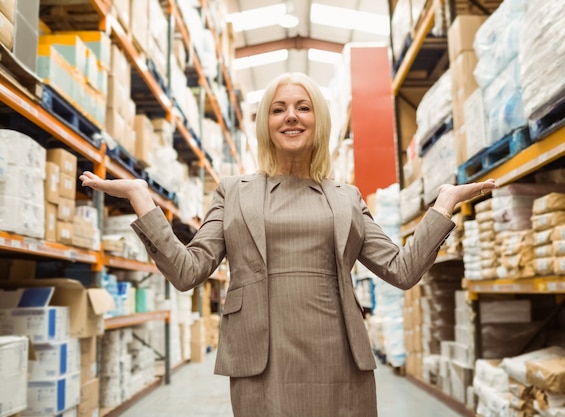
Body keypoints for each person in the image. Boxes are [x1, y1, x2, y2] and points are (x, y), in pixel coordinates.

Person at [80, 72, 496, 417]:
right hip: (262, 361)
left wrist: (443, 205)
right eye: (278, 109)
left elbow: (401, 270)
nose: (290, 117)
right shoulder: (233, 192)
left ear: (319, 120)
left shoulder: (346, 196)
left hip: (339, 359)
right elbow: (188, 271)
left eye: (303, 107)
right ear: (266, 123)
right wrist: (141, 198)